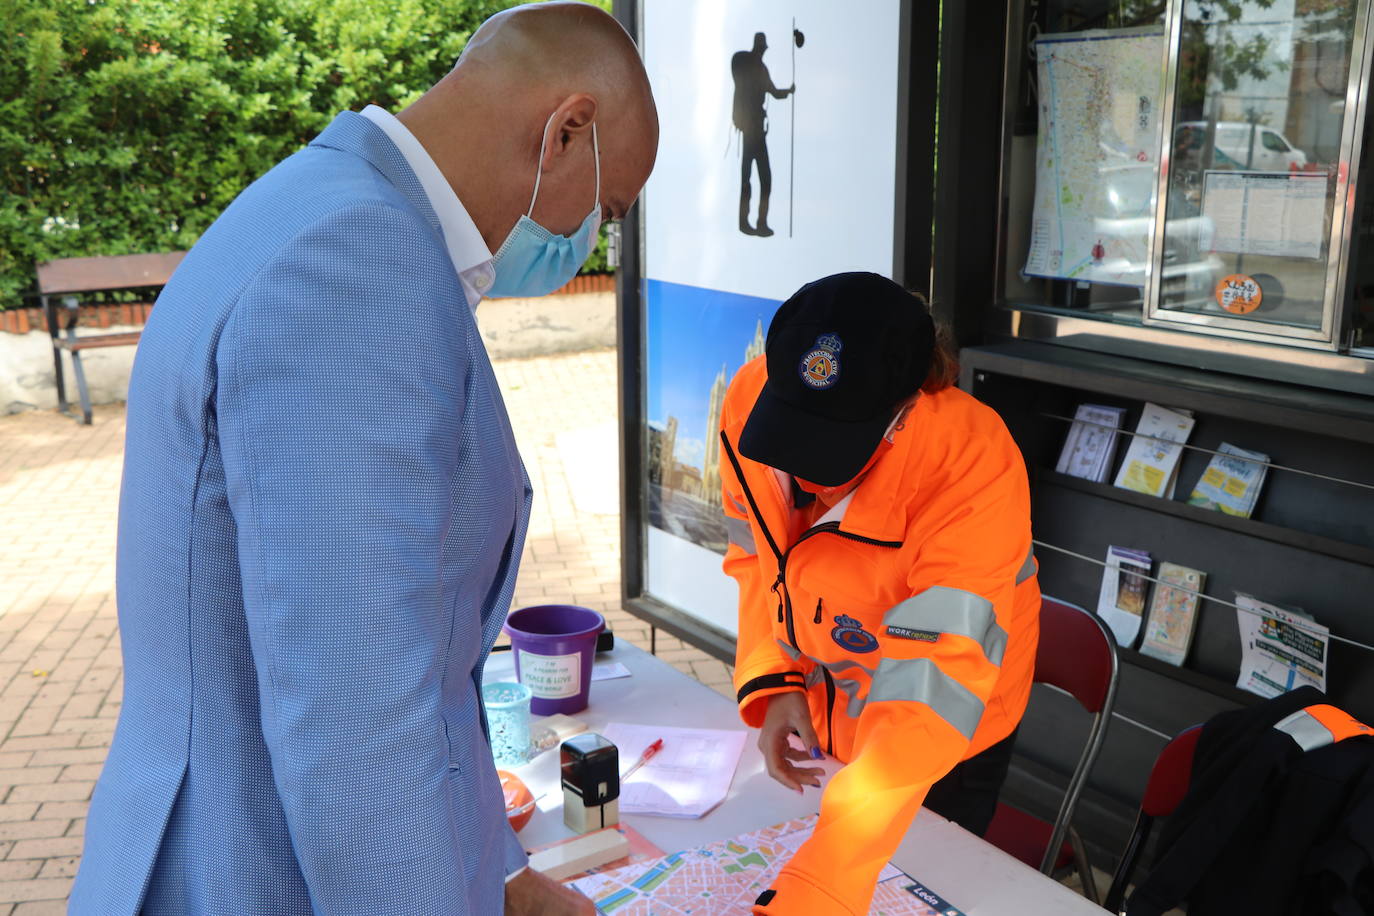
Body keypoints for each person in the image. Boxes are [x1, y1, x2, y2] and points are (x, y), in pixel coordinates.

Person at [69, 4, 657, 914]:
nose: (593, 236)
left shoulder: (321, 201)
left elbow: (406, 665)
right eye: (608, 207)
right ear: (567, 130)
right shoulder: (358, 258)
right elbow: (358, 713)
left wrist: (501, 876)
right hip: (254, 869)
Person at [718, 272, 1041, 915]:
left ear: (904, 411)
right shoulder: (749, 398)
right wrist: (777, 680)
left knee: (922, 885)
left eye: (833, 447)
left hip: (945, 727)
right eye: (793, 433)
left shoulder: (973, 464)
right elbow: (755, 558)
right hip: (822, 702)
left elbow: (931, 686)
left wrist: (817, 891)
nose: (805, 470)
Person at [731, 32, 793, 237]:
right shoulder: (743, 60)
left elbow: (774, 92)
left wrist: (788, 91)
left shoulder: (756, 67)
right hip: (750, 128)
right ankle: (745, 221)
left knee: (762, 178)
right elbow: (743, 79)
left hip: (755, 128)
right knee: (750, 176)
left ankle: (760, 221)